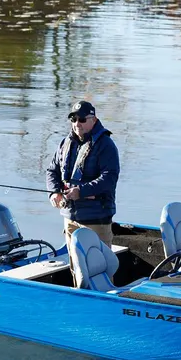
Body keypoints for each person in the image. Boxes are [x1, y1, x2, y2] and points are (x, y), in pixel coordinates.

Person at [46, 100, 120, 284]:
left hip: (96, 219)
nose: (77, 124)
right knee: (76, 268)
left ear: (93, 120)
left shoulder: (106, 145)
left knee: (99, 269)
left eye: (82, 119)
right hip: (70, 217)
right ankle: (78, 295)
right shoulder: (65, 143)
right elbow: (52, 171)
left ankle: (106, 297)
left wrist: (81, 191)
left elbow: (109, 178)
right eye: (73, 119)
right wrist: (54, 192)